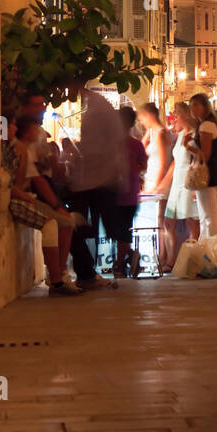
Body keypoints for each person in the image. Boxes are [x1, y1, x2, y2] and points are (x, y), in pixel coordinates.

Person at [66, 81, 128, 290]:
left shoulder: (94, 109)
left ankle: (89, 271)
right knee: (89, 226)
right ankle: (89, 271)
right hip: (97, 179)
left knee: (82, 225)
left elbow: (95, 147)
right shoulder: (96, 106)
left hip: (95, 180)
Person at [11, 115, 80, 295]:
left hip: (28, 195)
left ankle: (60, 272)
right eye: (37, 128)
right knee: (58, 223)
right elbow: (31, 180)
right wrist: (55, 205)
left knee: (67, 222)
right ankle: (57, 277)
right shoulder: (19, 149)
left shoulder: (27, 149)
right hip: (22, 197)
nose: (40, 132)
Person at [160, 101, 200, 269]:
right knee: (168, 222)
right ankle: (171, 259)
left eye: (176, 114)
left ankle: (191, 259)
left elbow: (198, 159)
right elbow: (175, 162)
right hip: (177, 183)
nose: (173, 118)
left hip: (187, 182)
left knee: (192, 222)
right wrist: (164, 184)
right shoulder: (180, 135)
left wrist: (195, 187)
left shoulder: (193, 135)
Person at [138, 102, 173, 272]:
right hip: (152, 179)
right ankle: (162, 256)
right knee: (159, 221)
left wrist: (157, 185)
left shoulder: (161, 134)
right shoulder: (154, 133)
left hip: (158, 181)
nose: (142, 122)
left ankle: (167, 258)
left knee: (163, 221)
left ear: (148, 116)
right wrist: (146, 135)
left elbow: (164, 162)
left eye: (142, 118)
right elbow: (142, 150)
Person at [117, 107, 148, 277]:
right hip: (127, 191)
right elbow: (143, 166)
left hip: (120, 192)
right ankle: (127, 256)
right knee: (122, 229)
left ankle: (120, 263)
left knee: (120, 230)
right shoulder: (135, 144)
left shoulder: (111, 143)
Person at [189, 93, 217, 241]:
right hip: (211, 175)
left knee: (209, 216)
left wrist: (188, 146)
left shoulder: (206, 126)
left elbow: (205, 155)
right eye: (191, 105)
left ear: (204, 107)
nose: (192, 109)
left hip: (207, 175)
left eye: (196, 105)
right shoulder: (207, 124)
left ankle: (214, 250)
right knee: (205, 216)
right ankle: (208, 249)